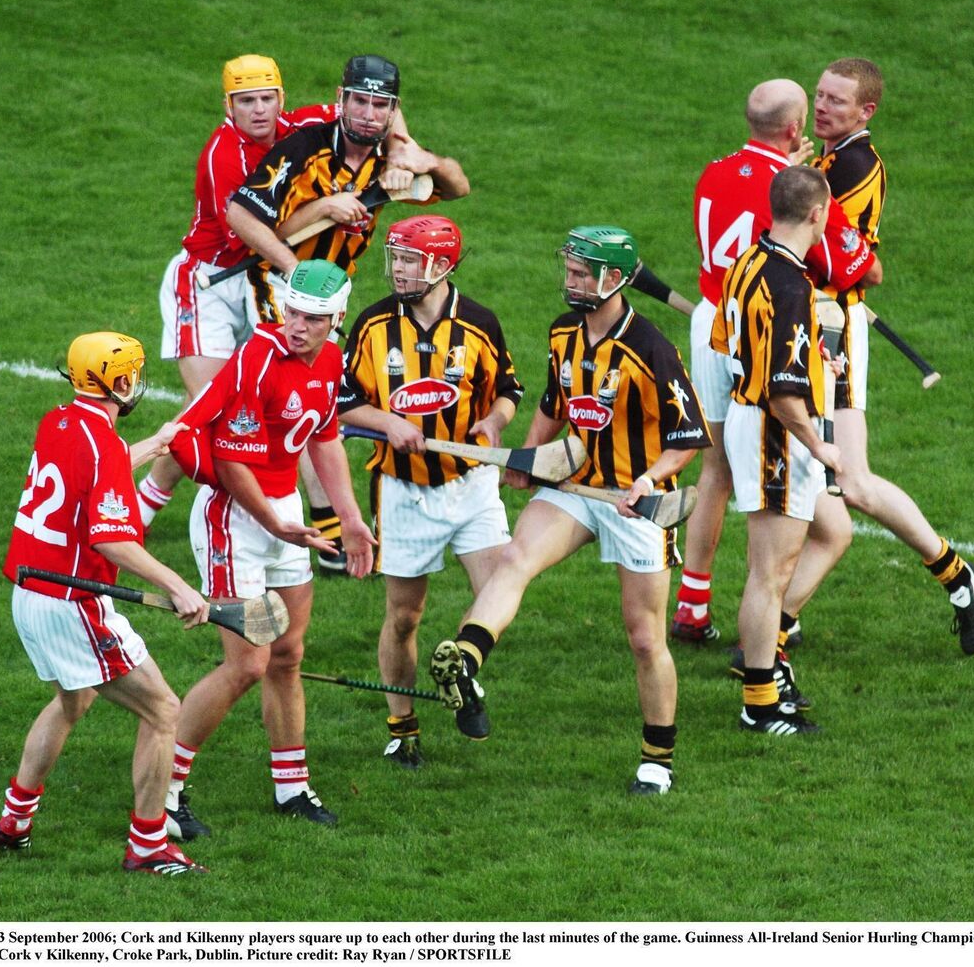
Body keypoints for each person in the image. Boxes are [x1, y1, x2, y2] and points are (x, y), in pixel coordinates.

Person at [429, 227, 709, 795]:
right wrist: (530, 460)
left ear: (613, 279)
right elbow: (554, 406)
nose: (570, 281)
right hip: (577, 489)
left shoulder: (651, 348)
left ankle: (657, 759)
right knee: (515, 558)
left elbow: (688, 437)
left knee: (644, 636)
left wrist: (649, 479)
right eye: (571, 271)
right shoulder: (564, 332)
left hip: (634, 504)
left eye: (582, 274)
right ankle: (466, 658)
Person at [223, 55, 469, 571]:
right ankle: (286, 520)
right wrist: (295, 271)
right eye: (360, 100)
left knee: (310, 399)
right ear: (342, 98)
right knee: (293, 396)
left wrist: (425, 159)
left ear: (392, 110)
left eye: (380, 105)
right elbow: (241, 213)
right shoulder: (305, 148)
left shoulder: (388, 158)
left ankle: (313, 521)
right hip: (283, 289)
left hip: (337, 291)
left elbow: (456, 186)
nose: (368, 113)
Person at [783, 58, 974, 655]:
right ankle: (777, 621)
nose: (821, 107)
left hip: (831, 330)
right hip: (809, 319)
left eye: (836, 102)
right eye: (819, 95)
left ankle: (955, 574)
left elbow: (851, 258)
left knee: (851, 481)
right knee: (814, 484)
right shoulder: (826, 156)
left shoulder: (853, 165)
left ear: (865, 112)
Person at [162, 260, 375, 840]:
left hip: (285, 517)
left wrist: (349, 518)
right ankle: (164, 788)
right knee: (247, 663)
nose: (297, 325)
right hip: (237, 520)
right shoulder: (258, 359)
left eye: (312, 317)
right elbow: (231, 463)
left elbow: (324, 435)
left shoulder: (330, 360)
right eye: (292, 312)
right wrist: (277, 526)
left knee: (287, 655)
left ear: (336, 319)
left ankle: (291, 786)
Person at [672, 78, 879, 667]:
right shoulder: (793, 191)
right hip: (766, 319)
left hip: (715, 312)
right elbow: (853, 265)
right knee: (774, 479)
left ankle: (693, 601)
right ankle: (768, 643)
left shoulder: (714, 171)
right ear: (793, 129)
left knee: (713, 461)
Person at [0, 332, 211, 875]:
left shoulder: (59, 422)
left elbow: (96, 472)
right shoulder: (103, 444)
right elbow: (109, 538)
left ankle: (15, 819)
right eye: (131, 373)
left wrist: (155, 445)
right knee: (163, 711)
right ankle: (148, 844)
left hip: (30, 595)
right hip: (73, 604)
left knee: (74, 700)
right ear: (119, 382)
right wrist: (179, 585)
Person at [338, 215, 524, 767]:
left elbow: (508, 390)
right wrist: (387, 421)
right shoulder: (372, 326)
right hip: (402, 490)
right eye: (393, 259)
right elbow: (343, 400)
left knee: (496, 591)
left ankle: (463, 669)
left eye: (408, 261)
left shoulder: (480, 325)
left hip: (471, 485)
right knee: (404, 616)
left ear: (441, 266)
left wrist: (493, 424)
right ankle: (403, 727)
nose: (397, 270)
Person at [141, 54, 340, 533]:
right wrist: (324, 207)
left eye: (267, 98)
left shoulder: (301, 124)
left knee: (291, 390)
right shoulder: (223, 158)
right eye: (246, 100)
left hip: (262, 278)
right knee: (213, 404)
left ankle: (320, 516)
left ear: (281, 99)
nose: (259, 110)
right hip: (209, 279)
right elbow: (257, 232)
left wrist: (409, 154)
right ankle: (144, 508)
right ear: (228, 105)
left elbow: (368, 111)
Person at [713, 166, 842, 734]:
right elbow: (782, 392)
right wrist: (820, 444)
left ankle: (767, 652)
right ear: (817, 214)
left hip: (754, 418)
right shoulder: (792, 285)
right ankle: (760, 702)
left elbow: (731, 341)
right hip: (777, 433)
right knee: (768, 572)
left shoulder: (748, 261)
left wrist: (816, 358)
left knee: (836, 531)